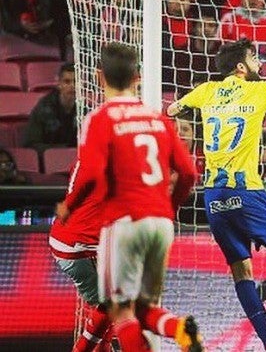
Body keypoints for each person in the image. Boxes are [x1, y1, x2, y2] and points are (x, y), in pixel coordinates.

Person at [166, 38, 266, 352]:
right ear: (241, 67)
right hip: (247, 191)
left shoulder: (205, 91)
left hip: (214, 196)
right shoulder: (261, 90)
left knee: (241, 269)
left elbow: (172, 110)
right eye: (254, 58)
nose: (259, 63)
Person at [56, 42, 200, 352]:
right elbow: (188, 173)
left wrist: (67, 205)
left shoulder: (101, 119)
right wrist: (170, 209)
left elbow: (92, 175)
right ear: (138, 77)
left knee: (120, 309)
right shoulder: (158, 120)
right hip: (160, 224)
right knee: (143, 307)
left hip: (123, 224)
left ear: (98, 77)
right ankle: (178, 329)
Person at [50, 166, 111, 352]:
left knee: (109, 304)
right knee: (116, 303)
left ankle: (104, 348)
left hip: (65, 237)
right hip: (79, 246)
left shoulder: (86, 158)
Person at [23, 62, 77, 152]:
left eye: (76, 81)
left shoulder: (86, 110)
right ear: (59, 83)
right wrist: (64, 150)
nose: (73, 86)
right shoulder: (43, 108)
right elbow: (31, 144)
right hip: (49, 161)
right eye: (67, 82)